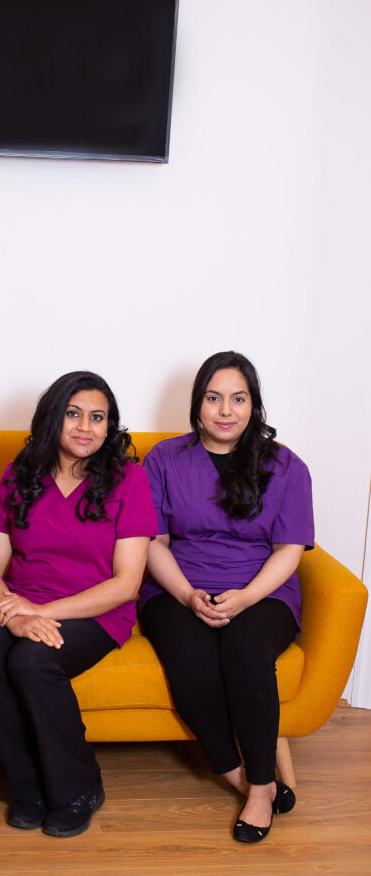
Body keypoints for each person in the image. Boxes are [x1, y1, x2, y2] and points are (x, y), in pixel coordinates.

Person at [0, 371, 157, 838]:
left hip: (95, 608)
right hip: (20, 599)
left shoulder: (129, 479)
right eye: (73, 414)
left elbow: (127, 584)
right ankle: (28, 788)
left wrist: (39, 615)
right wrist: (13, 609)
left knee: (31, 662)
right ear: (53, 418)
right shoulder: (20, 472)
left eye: (97, 417)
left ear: (110, 427)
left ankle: (77, 788)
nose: (85, 427)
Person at [138, 351, 313, 844]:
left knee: (245, 652)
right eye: (213, 398)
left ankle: (260, 787)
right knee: (190, 660)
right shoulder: (165, 459)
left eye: (238, 399)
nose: (225, 410)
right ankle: (234, 771)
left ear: (253, 405)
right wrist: (189, 594)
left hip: (263, 590)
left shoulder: (286, 465)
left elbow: (289, 548)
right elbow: (153, 542)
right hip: (176, 586)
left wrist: (247, 598)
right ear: (198, 404)